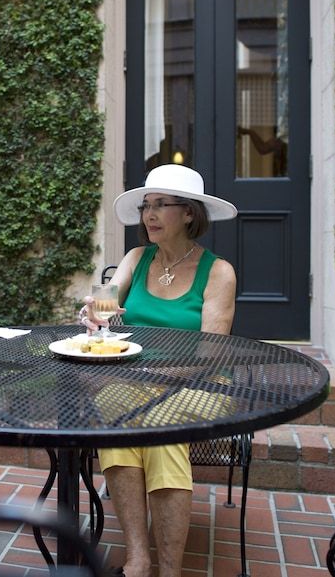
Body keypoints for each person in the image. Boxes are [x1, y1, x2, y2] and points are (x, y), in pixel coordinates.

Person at [80, 164, 237, 577]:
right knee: (120, 414)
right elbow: (106, 304)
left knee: (158, 426)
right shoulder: (135, 258)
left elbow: (212, 356)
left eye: (160, 205)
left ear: (188, 213)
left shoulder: (219, 272)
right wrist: (96, 314)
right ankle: (138, 557)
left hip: (201, 384)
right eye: (146, 206)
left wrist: (152, 380)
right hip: (135, 383)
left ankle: (168, 569)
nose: (149, 214)